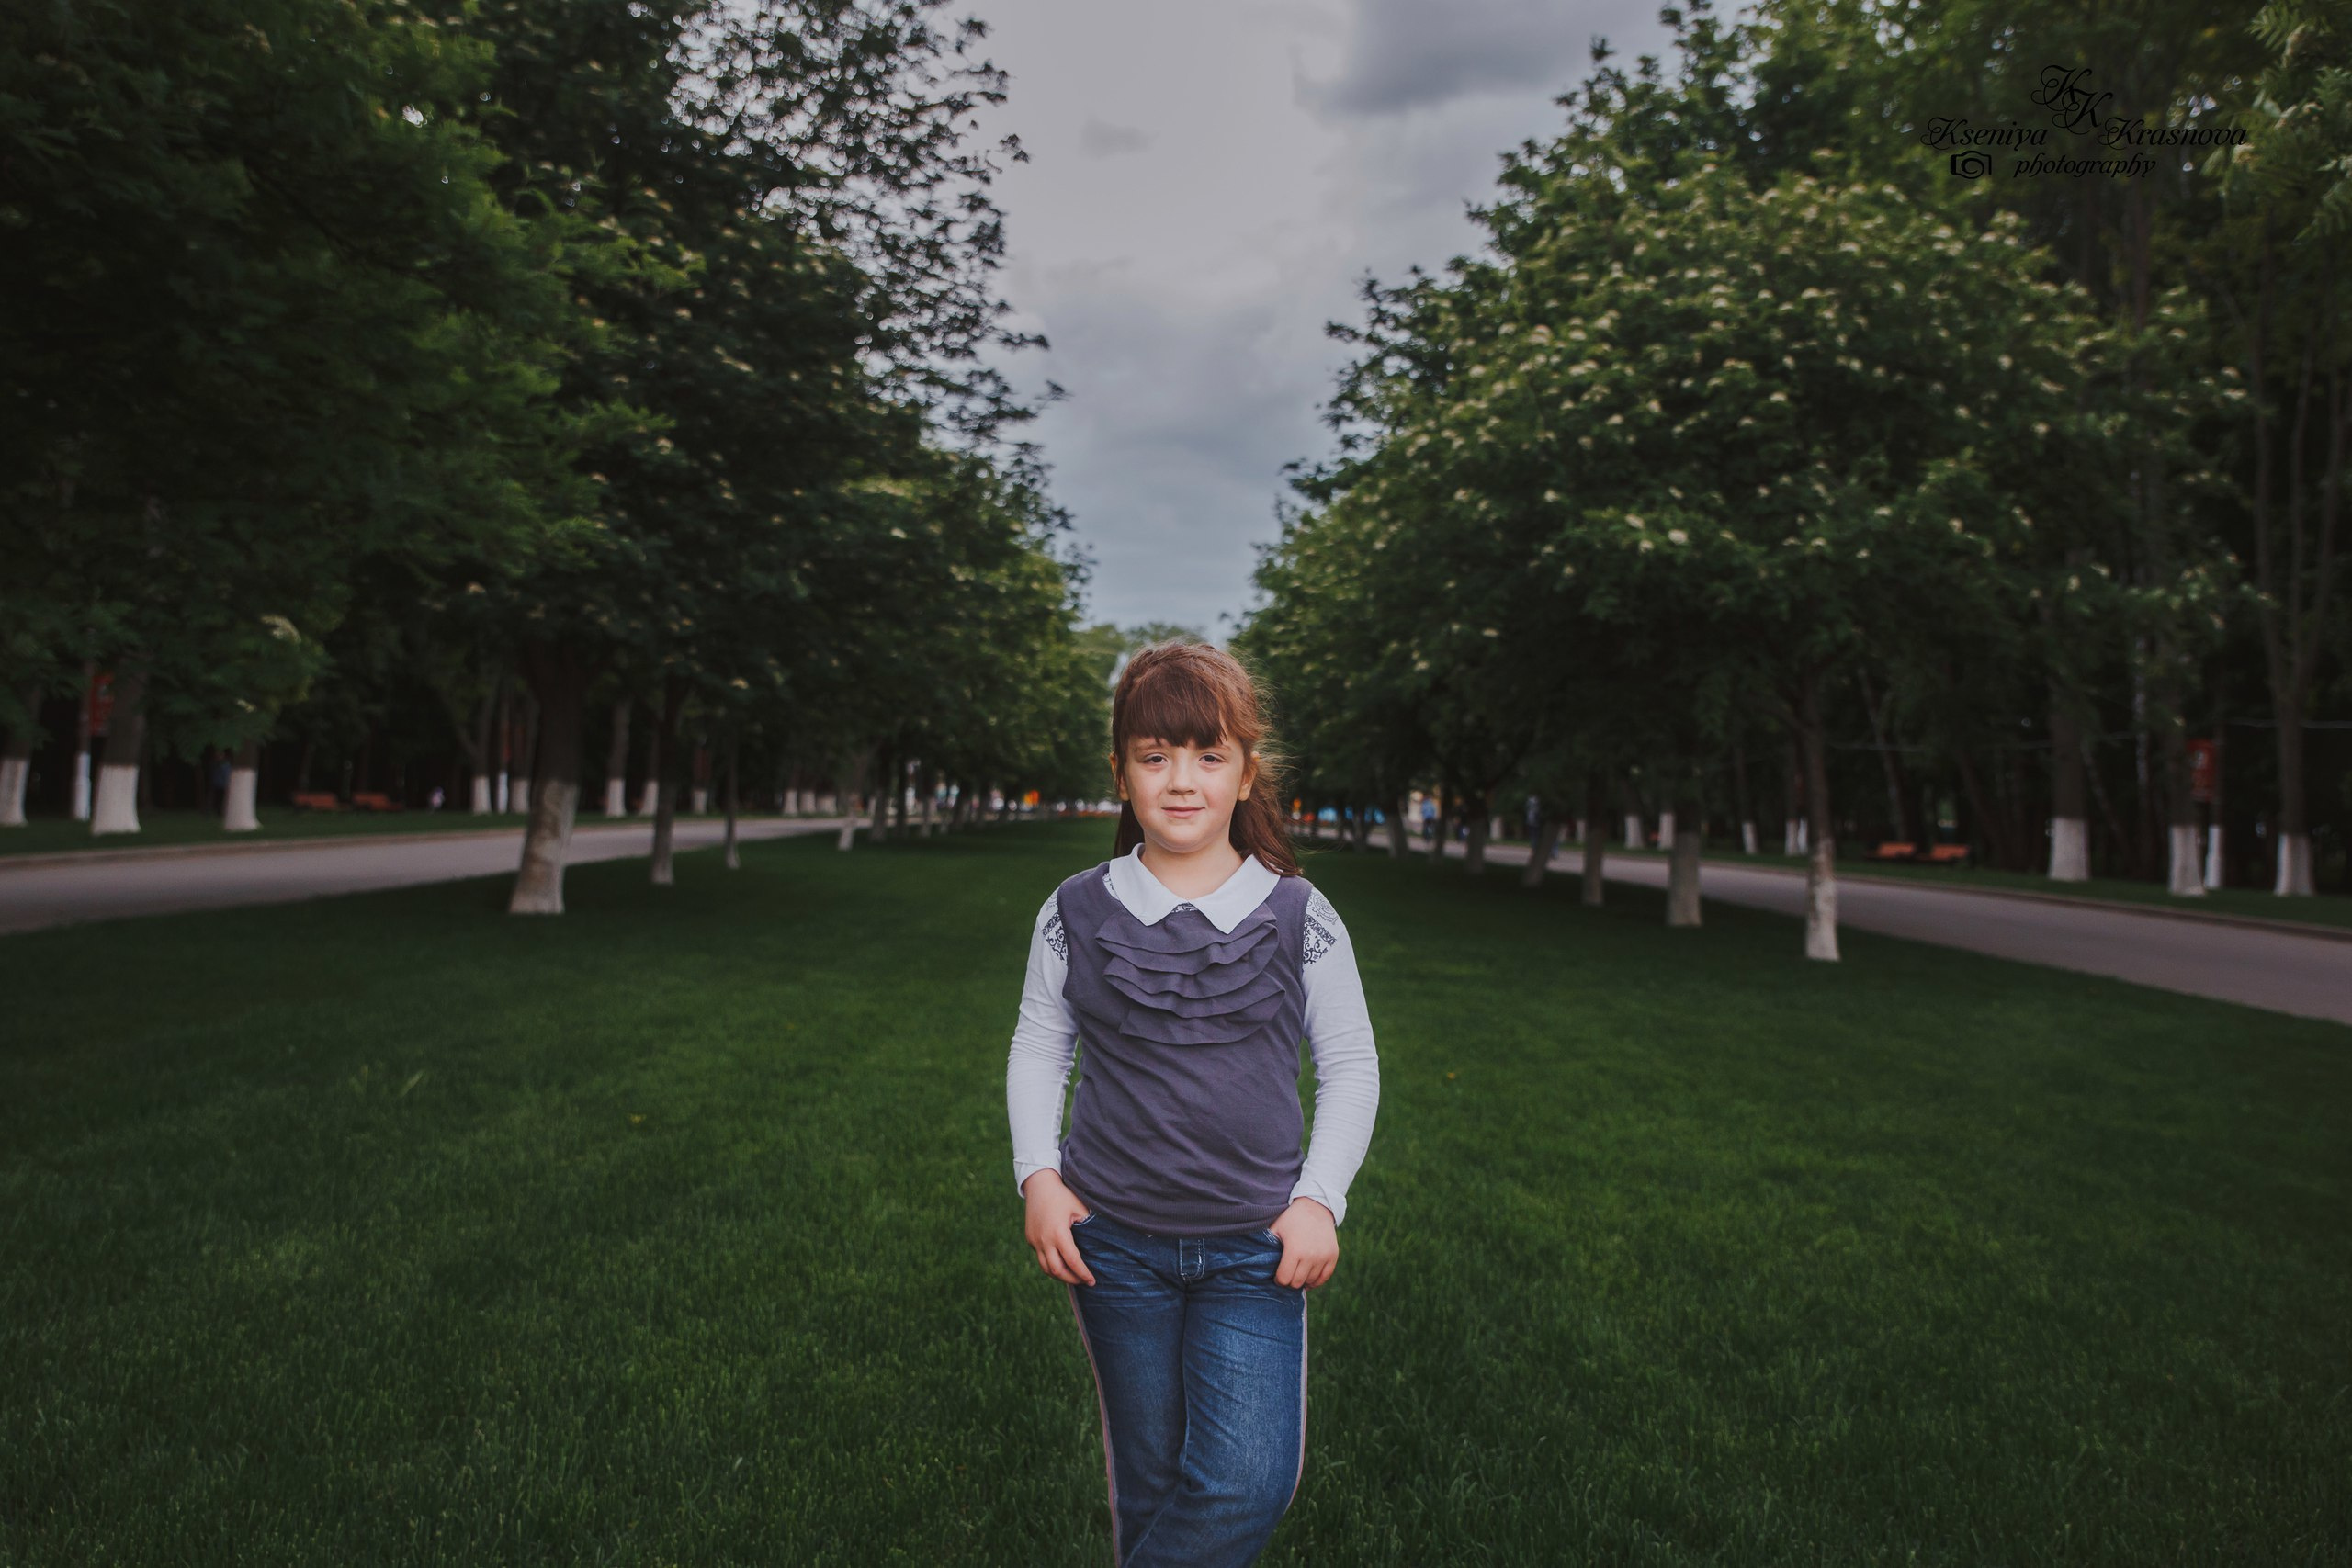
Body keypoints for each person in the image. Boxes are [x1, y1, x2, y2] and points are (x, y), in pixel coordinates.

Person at [1006, 641, 1381, 1567]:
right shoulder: (1073, 910)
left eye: (1208, 757)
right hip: (1115, 1244)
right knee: (1151, 1479)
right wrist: (1038, 1176)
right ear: (1121, 773)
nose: (1182, 781)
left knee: (1246, 1481)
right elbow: (1038, 1048)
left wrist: (1317, 1197)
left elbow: (1351, 1063)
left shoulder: (1299, 913)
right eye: (1155, 756)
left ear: (1246, 772)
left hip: (1254, 1250)